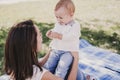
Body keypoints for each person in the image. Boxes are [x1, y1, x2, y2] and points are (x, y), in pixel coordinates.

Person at [4, 20, 79, 80]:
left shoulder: (16, 67)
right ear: (31, 44)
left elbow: (37, 63)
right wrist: (76, 58)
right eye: (39, 34)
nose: (41, 37)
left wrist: (51, 50)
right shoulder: (39, 74)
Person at [44, 0, 81, 79]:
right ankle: (47, 77)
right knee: (49, 64)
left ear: (71, 14)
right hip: (57, 49)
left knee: (62, 67)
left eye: (61, 17)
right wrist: (51, 34)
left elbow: (72, 36)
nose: (58, 20)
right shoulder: (58, 24)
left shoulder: (75, 25)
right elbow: (55, 32)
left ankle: (58, 78)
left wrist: (59, 36)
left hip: (69, 51)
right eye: (56, 17)